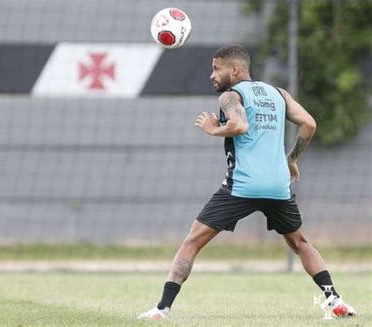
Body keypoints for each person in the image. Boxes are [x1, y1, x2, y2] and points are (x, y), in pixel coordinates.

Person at [137, 44, 356, 320]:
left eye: (217, 68)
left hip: (242, 186)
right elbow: (309, 124)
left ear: (235, 69)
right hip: (278, 186)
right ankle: (335, 300)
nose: (212, 75)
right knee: (300, 243)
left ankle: (162, 309)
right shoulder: (279, 94)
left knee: (191, 242)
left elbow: (240, 126)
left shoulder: (231, 96)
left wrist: (213, 128)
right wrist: (291, 159)